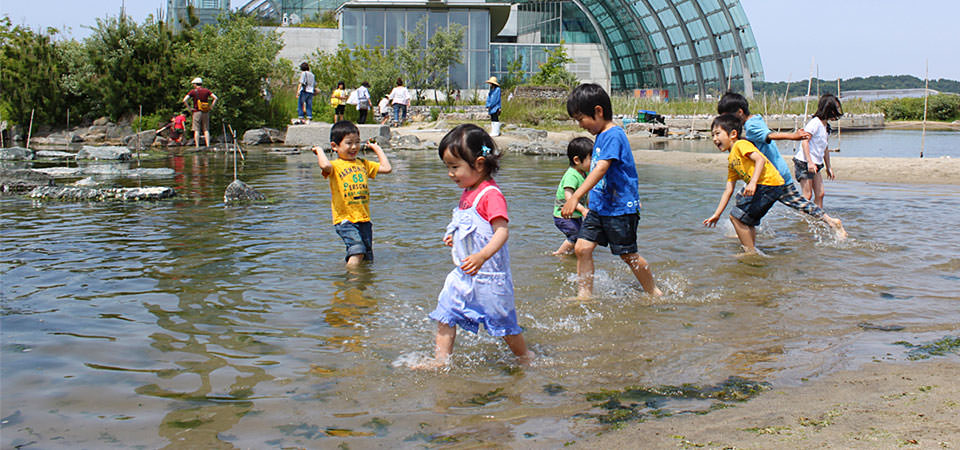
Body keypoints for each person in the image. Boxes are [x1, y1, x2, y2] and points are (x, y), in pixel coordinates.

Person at [420, 123, 534, 368]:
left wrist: (482, 256)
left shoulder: (490, 195)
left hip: (489, 277)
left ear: (479, 164)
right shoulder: (468, 190)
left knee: (504, 325)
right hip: (464, 274)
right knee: (446, 313)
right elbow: (468, 224)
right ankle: (440, 361)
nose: (450, 173)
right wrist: (454, 235)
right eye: (447, 167)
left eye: (455, 167)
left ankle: (525, 357)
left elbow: (501, 232)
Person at [560, 83, 662, 298]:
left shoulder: (614, 135)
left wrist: (576, 196)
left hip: (619, 210)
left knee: (628, 255)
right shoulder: (601, 136)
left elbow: (602, 168)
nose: (580, 125)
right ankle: (584, 296)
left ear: (598, 111)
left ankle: (653, 291)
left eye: (581, 119)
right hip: (599, 209)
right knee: (582, 248)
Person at [717, 92, 845, 238]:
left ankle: (743, 228)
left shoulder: (751, 126)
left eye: (727, 117)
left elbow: (769, 135)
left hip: (772, 176)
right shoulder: (755, 119)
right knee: (798, 202)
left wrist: (793, 136)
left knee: (745, 199)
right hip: (775, 174)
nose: (725, 121)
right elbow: (758, 138)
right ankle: (830, 221)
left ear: (739, 112)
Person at [312, 121, 392, 268]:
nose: (354, 147)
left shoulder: (363, 164)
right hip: (345, 219)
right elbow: (325, 165)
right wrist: (319, 151)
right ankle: (352, 286)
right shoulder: (335, 166)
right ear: (335, 146)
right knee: (357, 251)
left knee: (367, 257)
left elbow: (387, 168)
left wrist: (377, 148)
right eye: (349, 143)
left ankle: (356, 279)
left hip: (364, 218)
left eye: (357, 142)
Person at [702, 113, 785, 255]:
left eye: (717, 134)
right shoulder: (732, 160)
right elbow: (728, 190)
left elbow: (760, 160)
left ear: (733, 134)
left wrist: (752, 183)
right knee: (746, 220)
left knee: (736, 216)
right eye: (712, 136)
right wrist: (717, 214)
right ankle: (752, 249)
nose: (715, 139)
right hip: (768, 186)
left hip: (768, 184)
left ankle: (750, 252)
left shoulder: (741, 145)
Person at [796, 93, 842, 209]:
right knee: (807, 195)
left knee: (820, 194)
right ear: (828, 109)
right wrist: (810, 162)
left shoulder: (826, 126)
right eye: (834, 109)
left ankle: (818, 218)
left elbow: (825, 147)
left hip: (816, 163)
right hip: (804, 162)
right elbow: (804, 142)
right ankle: (803, 220)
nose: (836, 113)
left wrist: (828, 167)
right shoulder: (815, 123)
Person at [552, 137, 592, 256]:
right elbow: (569, 197)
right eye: (591, 158)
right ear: (577, 160)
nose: (595, 162)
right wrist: (583, 210)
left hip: (575, 215)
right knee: (575, 235)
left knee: (581, 235)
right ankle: (559, 254)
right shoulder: (571, 175)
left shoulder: (585, 173)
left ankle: (573, 254)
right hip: (563, 215)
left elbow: (588, 194)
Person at [182, 77, 217, 148]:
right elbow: (215, 98)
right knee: (206, 129)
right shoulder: (206, 90)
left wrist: (189, 108)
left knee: (196, 129)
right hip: (205, 111)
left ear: (195, 84)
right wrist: (211, 107)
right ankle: (208, 145)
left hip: (196, 111)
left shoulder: (193, 91)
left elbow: (184, 100)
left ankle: (197, 146)